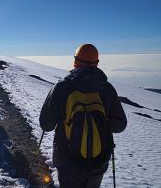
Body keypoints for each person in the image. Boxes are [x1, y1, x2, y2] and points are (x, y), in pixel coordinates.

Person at [39, 44, 127, 188]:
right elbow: (119, 125)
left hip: (67, 161)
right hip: (98, 161)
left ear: (75, 60)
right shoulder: (107, 89)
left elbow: (46, 125)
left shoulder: (62, 88)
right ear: (96, 63)